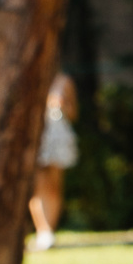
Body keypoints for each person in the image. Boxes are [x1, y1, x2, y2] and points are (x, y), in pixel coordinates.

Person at [30, 72, 78, 249]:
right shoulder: (31, 76)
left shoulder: (65, 81)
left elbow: (74, 114)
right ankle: (42, 230)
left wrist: (64, 106)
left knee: (54, 186)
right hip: (37, 135)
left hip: (58, 137)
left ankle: (49, 230)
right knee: (37, 186)